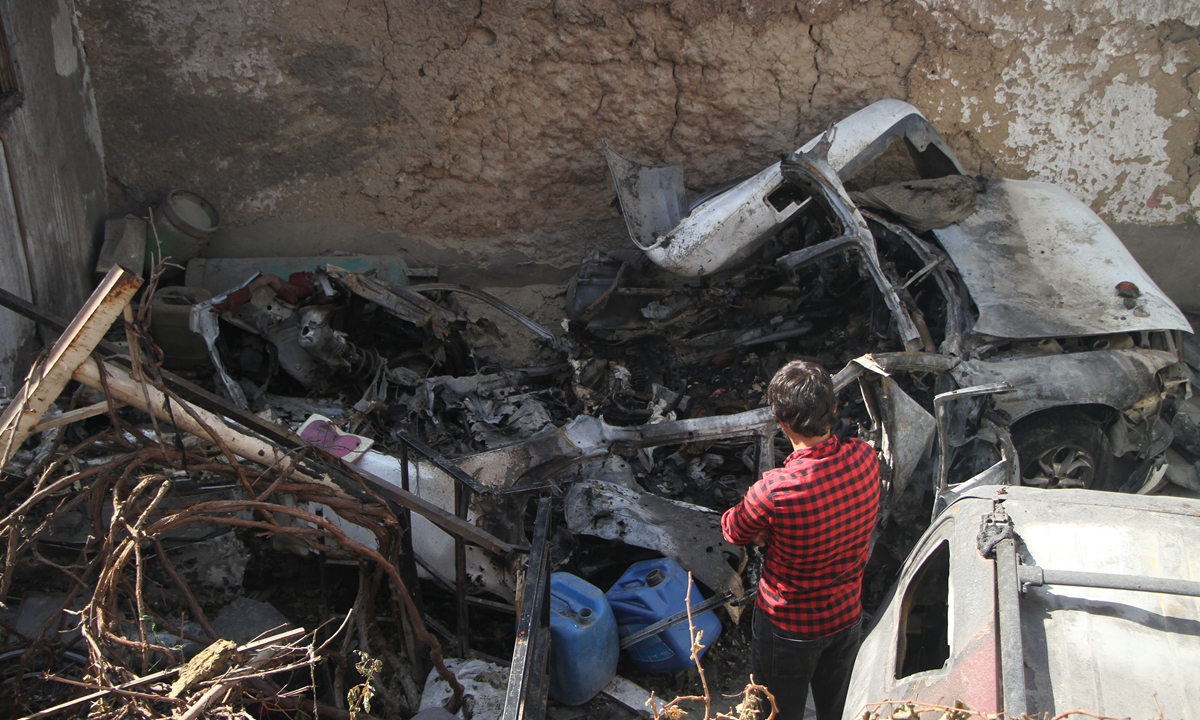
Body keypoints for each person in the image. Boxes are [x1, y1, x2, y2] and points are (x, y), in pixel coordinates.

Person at [721, 360, 880, 720]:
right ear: (834, 409)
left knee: (778, 713)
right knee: (837, 708)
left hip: (789, 628)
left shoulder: (775, 491)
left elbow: (733, 529)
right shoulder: (866, 457)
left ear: (781, 422)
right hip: (846, 616)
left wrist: (766, 532)